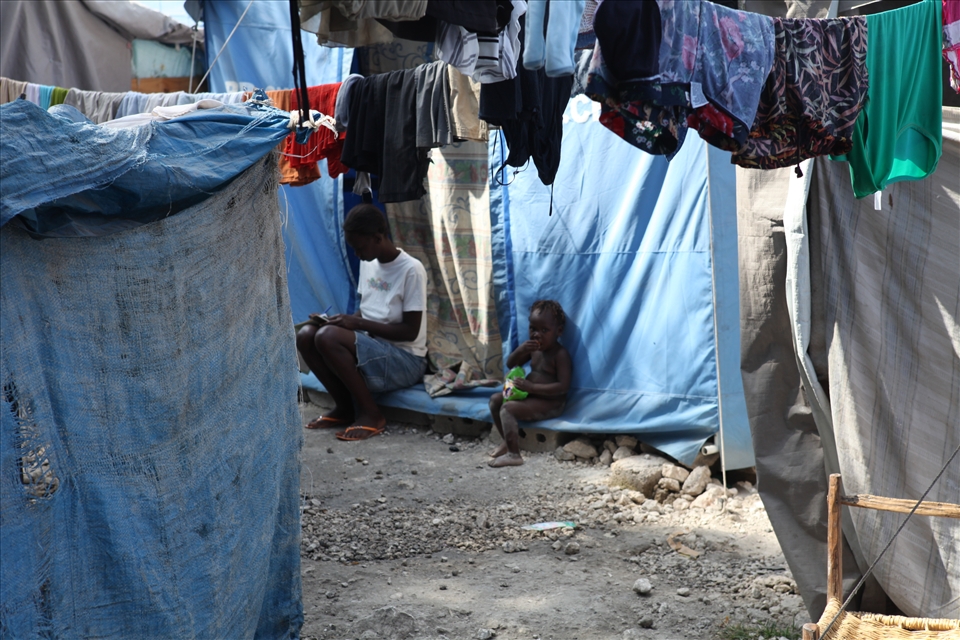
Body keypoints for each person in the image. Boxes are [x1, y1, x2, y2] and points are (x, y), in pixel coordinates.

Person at [297, 204, 428, 441]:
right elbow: (368, 310)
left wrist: (356, 324)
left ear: (378, 238)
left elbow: (411, 332)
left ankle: (372, 415)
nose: (357, 255)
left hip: (406, 360)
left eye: (359, 248)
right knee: (307, 334)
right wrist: (335, 320)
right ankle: (345, 408)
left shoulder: (411, 269)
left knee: (328, 337)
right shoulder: (369, 262)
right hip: (374, 347)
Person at [488, 300, 572, 467]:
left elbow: (563, 387)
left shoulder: (560, 354)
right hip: (531, 397)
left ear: (559, 331)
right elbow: (511, 363)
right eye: (533, 329)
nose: (536, 335)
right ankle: (507, 441)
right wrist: (521, 350)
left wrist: (531, 387)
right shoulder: (534, 350)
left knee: (507, 409)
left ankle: (514, 455)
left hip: (551, 403)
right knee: (495, 400)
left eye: (544, 330)